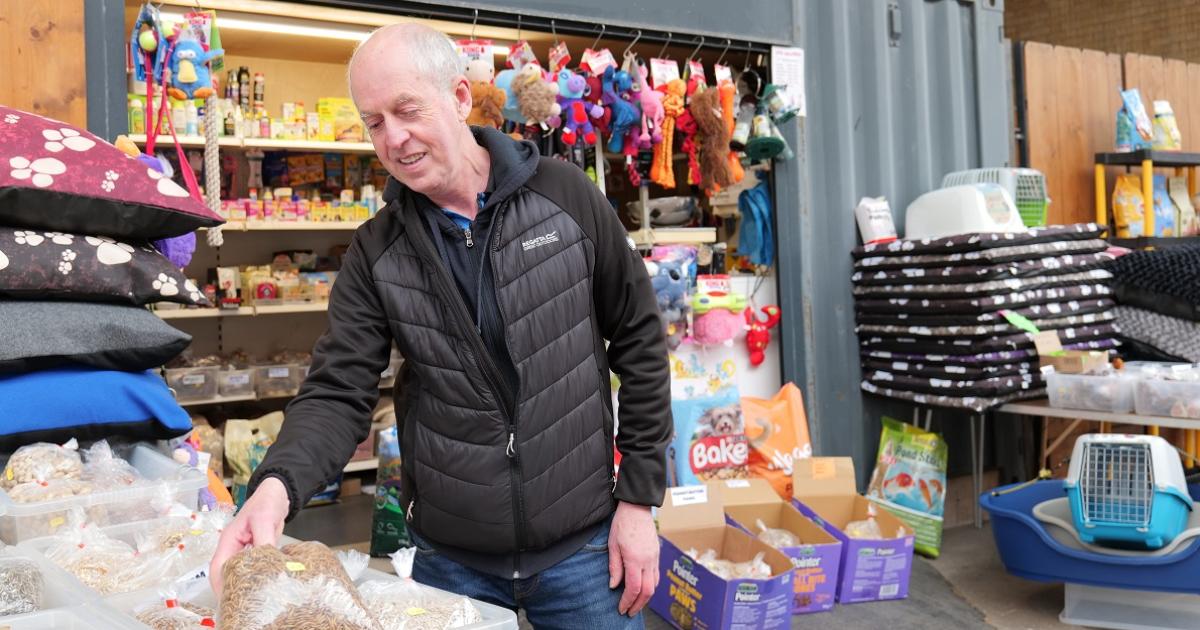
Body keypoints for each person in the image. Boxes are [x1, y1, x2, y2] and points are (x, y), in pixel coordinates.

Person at [209, 23, 673, 628]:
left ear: (458, 97)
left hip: (584, 550)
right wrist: (275, 488)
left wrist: (639, 499)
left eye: (407, 110)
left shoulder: (565, 197)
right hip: (452, 564)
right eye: (374, 122)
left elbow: (639, 339)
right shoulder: (377, 252)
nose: (393, 138)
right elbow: (337, 391)